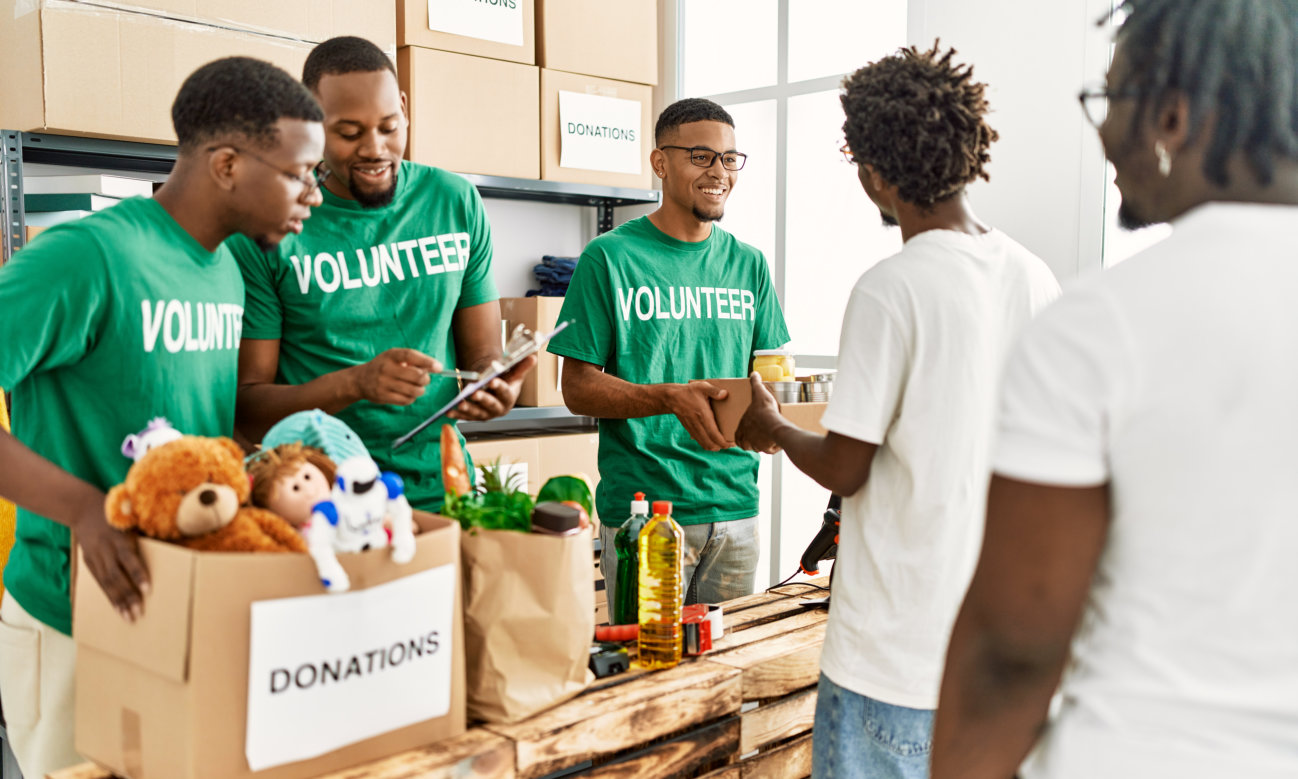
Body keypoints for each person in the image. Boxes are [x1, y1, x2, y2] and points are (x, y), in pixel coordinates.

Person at [932, 3, 1298, 777]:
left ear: (1171, 117)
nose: (1101, 135)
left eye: (1110, 102)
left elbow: (1014, 649)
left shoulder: (1101, 324)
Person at [734, 45, 1060, 779]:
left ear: (874, 173)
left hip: (895, 662)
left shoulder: (892, 287)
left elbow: (847, 465)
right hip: (995, 656)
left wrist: (773, 425)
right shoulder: (1034, 276)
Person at [0, 57, 324, 779]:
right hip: (74, 612)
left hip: (177, 608)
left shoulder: (225, 268)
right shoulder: (86, 257)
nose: (313, 195)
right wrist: (86, 508)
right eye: (301, 173)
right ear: (230, 164)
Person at [231, 36, 531, 511]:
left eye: (389, 127)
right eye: (349, 133)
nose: (375, 149)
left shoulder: (454, 201)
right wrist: (355, 384)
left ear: (405, 109)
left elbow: (482, 357)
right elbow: (247, 408)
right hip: (317, 500)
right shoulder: (273, 224)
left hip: (443, 492)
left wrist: (499, 388)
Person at [549, 98, 790, 607]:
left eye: (729, 158)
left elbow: (769, 375)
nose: (719, 172)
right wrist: (668, 397)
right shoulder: (609, 257)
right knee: (647, 674)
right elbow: (576, 387)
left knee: (725, 673)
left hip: (736, 507)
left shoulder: (749, 265)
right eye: (701, 156)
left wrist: (781, 419)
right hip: (646, 513)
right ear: (660, 163)